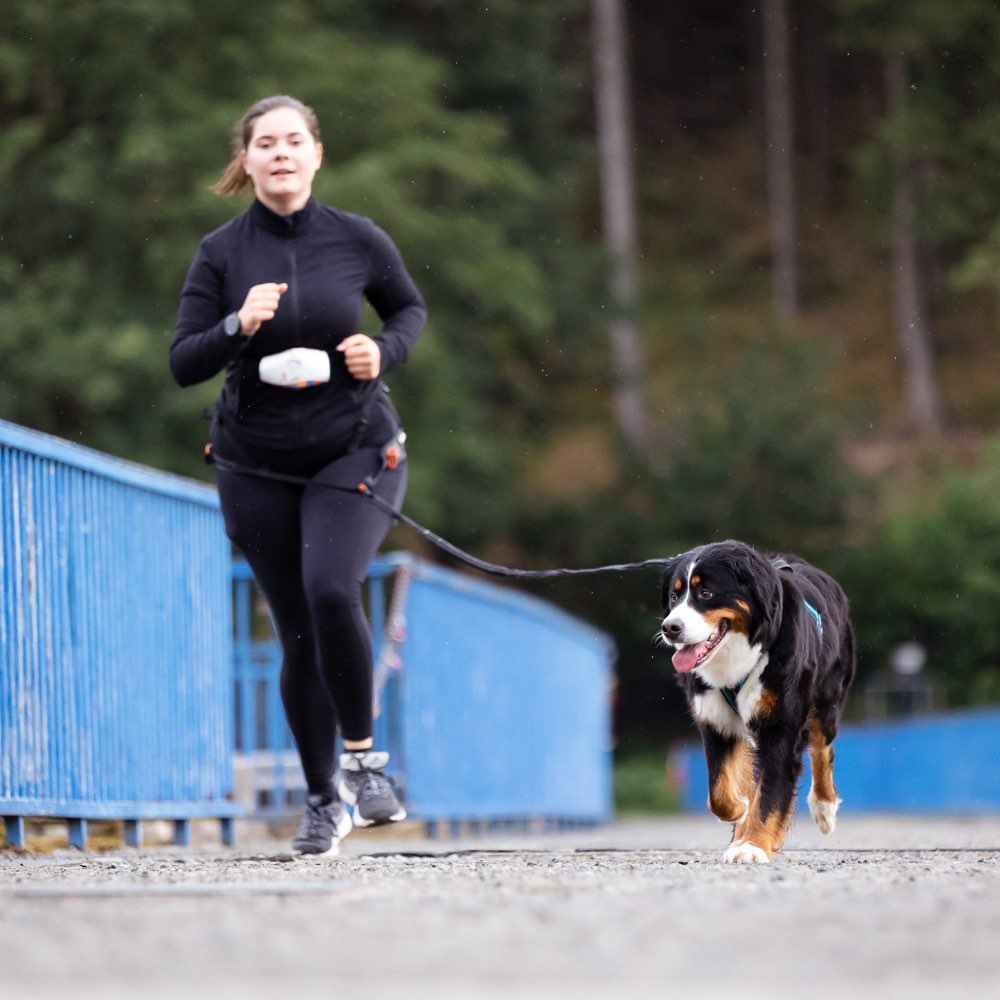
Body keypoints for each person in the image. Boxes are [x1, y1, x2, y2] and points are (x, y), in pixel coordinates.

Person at [170, 95, 427, 856]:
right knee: (296, 633)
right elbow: (184, 360)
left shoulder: (357, 238)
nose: (280, 154)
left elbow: (408, 311)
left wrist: (383, 352)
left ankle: (362, 763)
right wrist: (235, 326)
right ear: (245, 162)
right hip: (254, 461)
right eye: (265, 144)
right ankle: (322, 802)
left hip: (355, 448)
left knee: (330, 588)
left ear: (316, 154)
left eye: (293, 141)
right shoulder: (221, 253)